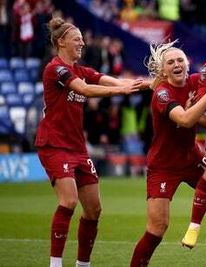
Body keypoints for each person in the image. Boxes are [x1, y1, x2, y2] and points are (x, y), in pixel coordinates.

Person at [34, 17, 148, 267]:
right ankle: (55, 264)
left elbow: (111, 80)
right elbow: (85, 90)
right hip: (54, 144)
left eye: (83, 40)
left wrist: (146, 84)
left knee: (94, 210)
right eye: (77, 39)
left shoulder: (80, 70)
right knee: (69, 201)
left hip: (77, 147)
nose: (82, 43)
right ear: (61, 41)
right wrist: (121, 91)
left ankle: (82, 264)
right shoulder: (55, 69)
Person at [129, 40, 206, 267]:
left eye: (180, 60)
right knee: (157, 229)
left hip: (192, 159)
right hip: (163, 166)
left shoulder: (195, 82)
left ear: (188, 64)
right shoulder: (162, 93)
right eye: (170, 62)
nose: (177, 64)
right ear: (163, 70)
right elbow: (185, 119)